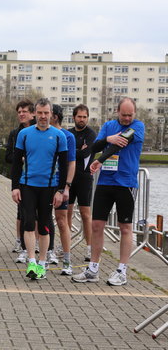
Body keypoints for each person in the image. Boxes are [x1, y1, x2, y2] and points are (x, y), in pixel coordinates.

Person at [72, 97, 144, 286]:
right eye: (123, 114)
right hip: (105, 182)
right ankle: (93, 269)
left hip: (125, 182)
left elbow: (118, 144)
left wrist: (99, 159)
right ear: (117, 112)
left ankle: (121, 270)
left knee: (125, 227)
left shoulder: (138, 126)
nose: (127, 118)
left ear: (134, 113)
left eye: (130, 114)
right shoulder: (108, 126)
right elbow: (94, 146)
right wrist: (107, 139)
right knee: (96, 225)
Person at [11, 98, 68, 280]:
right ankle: (32, 261)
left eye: (46, 113)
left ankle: (43, 263)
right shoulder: (25, 134)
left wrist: (61, 190)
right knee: (28, 223)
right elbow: (16, 164)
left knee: (44, 226)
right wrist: (14, 187)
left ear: (52, 114)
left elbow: (65, 165)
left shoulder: (60, 136)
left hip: (48, 187)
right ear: (35, 113)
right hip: (27, 185)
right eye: (40, 113)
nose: (43, 116)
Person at [5, 99, 36, 260]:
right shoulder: (15, 134)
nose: (21, 114)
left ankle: (42, 247)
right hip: (22, 179)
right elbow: (9, 157)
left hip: (41, 179)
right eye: (19, 112)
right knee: (23, 213)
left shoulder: (42, 130)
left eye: (24, 111)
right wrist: (22, 158)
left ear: (33, 113)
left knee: (41, 215)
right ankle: (23, 245)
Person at [48, 104, 76, 275]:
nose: (43, 117)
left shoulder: (68, 136)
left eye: (48, 113)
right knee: (41, 220)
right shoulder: (40, 133)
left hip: (59, 185)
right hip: (43, 184)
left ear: (55, 116)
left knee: (61, 221)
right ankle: (46, 255)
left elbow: (71, 162)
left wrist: (66, 186)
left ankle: (67, 260)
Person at [67, 104, 97, 262]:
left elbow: (87, 152)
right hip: (69, 178)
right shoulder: (69, 133)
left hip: (85, 177)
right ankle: (66, 245)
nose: (82, 119)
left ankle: (89, 248)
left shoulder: (91, 134)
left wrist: (77, 151)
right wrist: (79, 150)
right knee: (67, 212)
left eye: (85, 117)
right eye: (79, 116)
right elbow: (66, 153)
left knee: (86, 214)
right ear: (74, 117)